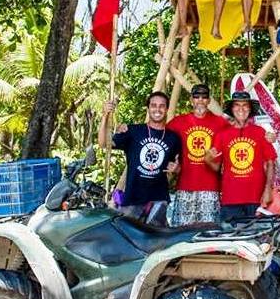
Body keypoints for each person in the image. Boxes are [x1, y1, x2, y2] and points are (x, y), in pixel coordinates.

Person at [98, 91, 181, 223]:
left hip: (158, 200)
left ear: (166, 109)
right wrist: (105, 116)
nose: (157, 109)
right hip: (132, 198)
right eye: (154, 105)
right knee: (127, 239)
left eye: (161, 106)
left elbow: (178, 167)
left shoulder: (173, 138)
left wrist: (177, 169)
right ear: (148, 109)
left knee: (158, 241)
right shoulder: (133, 131)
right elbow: (103, 143)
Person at [205, 91, 277, 221]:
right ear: (232, 109)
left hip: (257, 198)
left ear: (250, 109)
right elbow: (216, 168)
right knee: (230, 239)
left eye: (245, 105)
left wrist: (268, 190)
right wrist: (208, 159)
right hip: (230, 199)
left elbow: (270, 162)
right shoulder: (222, 135)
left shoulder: (260, 132)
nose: (241, 109)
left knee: (257, 238)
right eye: (237, 105)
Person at [166, 84, 231, 225]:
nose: (200, 100)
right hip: (185, 187)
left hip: (211, 189)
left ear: (209, 100)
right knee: (182, 234)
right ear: (191, 99)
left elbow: (237, 140)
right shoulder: (178, 122)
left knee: (209, 234)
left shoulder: (221, 123)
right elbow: (159, 138)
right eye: (196, 96)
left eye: (204, 97)